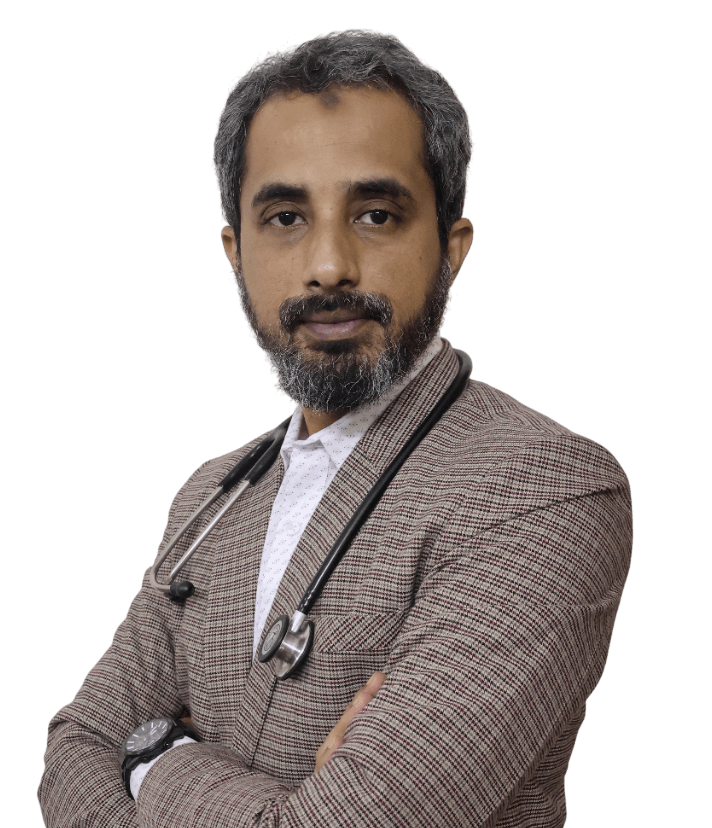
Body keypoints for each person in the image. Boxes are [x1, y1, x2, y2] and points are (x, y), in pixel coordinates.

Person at [38, 29, 633, 828]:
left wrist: (155, 761)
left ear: (451, 248)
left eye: (377, 214)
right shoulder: (210, 498)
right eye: (285, 216)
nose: (327, 265)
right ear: (236, 254)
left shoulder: (545, 491)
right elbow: (75, 749)